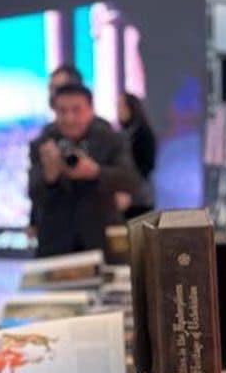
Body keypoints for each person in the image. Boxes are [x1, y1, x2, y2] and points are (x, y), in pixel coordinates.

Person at [28, 82, 141, 258]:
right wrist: (50, 176)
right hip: (56, 245)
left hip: (102, 242)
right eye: (62, 111)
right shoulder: (43, 144)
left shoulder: (110, 140)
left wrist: (95, 171)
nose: (69, 119)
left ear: (90, 110)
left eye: (76, 110)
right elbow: (33, 192)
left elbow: (132, 181)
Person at [118, 92, 157, 217]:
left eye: (121, 106)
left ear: (131, 108)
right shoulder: (122, 134)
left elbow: (146, 166)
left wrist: (130, 189)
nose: (118, 110)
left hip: (139, 199)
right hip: (122, 197)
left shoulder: (143, 134)